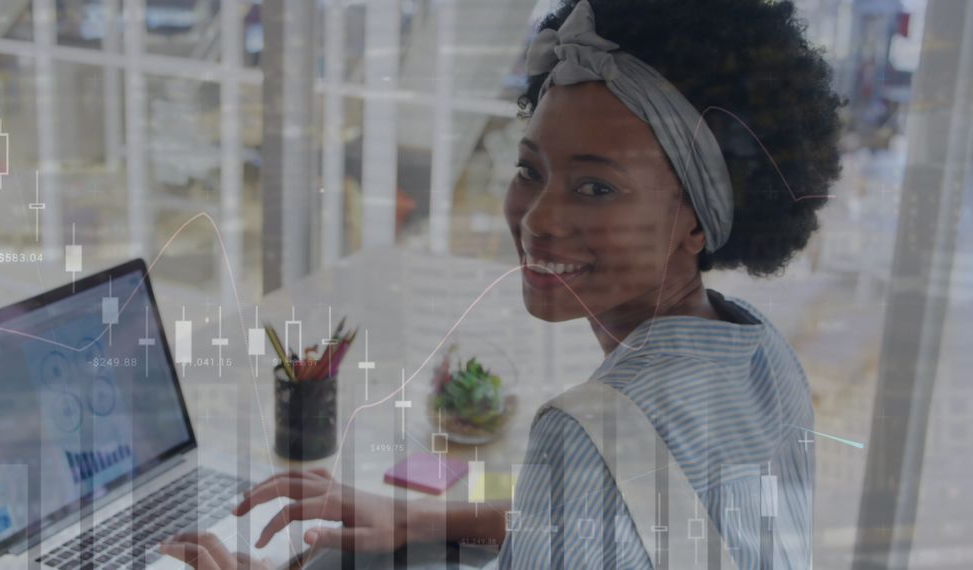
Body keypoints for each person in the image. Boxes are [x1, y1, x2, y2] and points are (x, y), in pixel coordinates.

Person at [161, 0, 840, 568]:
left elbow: (597, 483)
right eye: (530, 170)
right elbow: (609, 512)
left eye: (596, 187)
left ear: (695, 220)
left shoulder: (593, 429)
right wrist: (412, 519)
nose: (539, 218)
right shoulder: (762, 355)